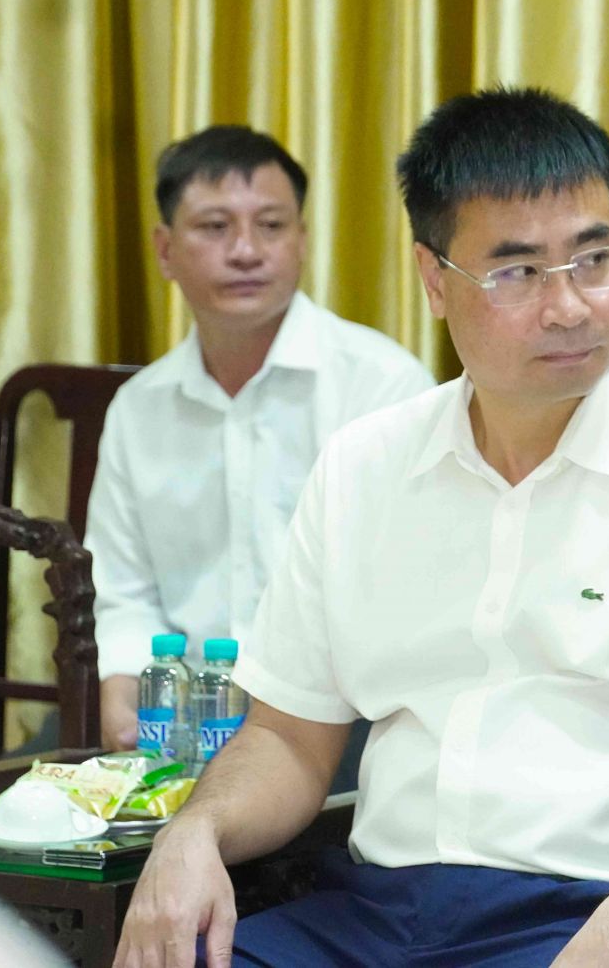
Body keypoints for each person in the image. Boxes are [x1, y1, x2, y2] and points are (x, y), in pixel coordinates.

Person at [112, 88, 609, 968]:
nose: (570, 305)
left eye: (595, 258)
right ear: (434, 279)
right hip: (371, 913)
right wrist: (194, 830)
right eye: (517, 272)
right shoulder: (363, 467)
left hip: (596, 911)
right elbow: (287, 740)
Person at [87, 126, 435, 761]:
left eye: (271, 226)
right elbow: (124, 589)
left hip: (342, 722)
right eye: (215, 227)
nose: (246, 251)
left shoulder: (382, 384)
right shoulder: (139, 409)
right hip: (182, 715)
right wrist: (124, 685)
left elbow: (405, 590)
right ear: (165, 250)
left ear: (302, 240)